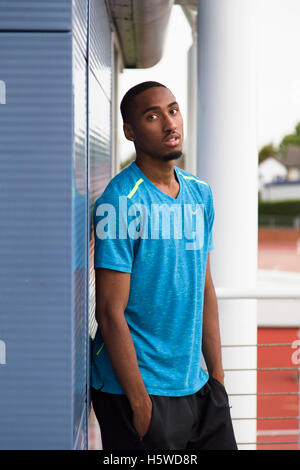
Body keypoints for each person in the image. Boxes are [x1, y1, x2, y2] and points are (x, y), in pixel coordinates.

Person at [91, 81, 237, 451]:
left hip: (199, 389)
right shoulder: (120, 201)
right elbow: (109, 313)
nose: (169, 123)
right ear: (130, 131)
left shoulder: (199, 193)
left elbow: (204, 288)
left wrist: (216, 378)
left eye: (173, 110)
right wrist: (140, 403)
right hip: (139, 393)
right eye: (152, 116)